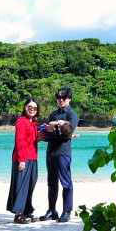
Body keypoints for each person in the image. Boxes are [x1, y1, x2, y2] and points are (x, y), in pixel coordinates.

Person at [39, 87, 79, 223]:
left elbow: (66, 134)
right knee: (51, 183)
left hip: (63, 152)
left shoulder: (72, 115)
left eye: (64, 98)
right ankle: (52, 210)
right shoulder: (54, 114)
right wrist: (47, 132)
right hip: (50, 152)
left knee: (66, 183)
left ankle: (67, 211)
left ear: (69, 99)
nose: (61, 100)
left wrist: (52, 129)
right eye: (58, 98)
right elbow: (52, 133)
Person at [6, 98, 41, 224]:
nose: (32, 110)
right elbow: (19, 141)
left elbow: (31, 140)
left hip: (33, 157)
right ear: (25, 107)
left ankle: (26, 211)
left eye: (35, 108)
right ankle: (18, 214)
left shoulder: (33, 123)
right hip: (23, 158)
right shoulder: (21, 122)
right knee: (21, 186)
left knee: (30, 185)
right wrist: (22, 160)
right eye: (30, 107)